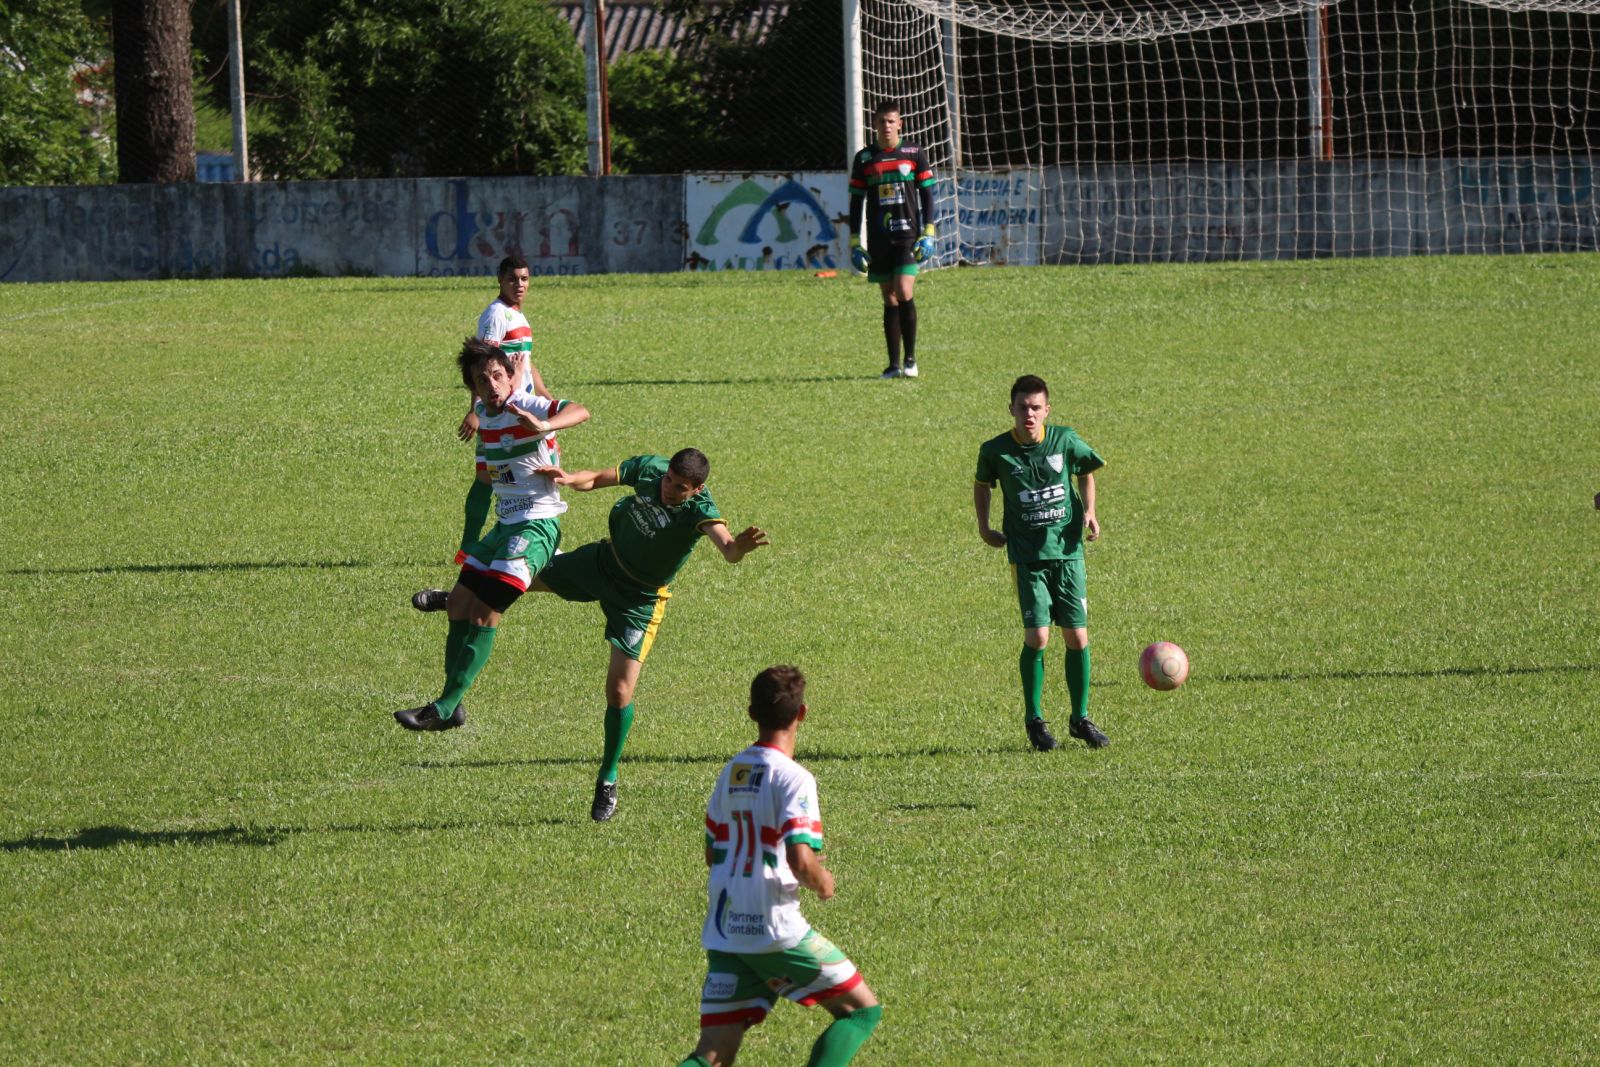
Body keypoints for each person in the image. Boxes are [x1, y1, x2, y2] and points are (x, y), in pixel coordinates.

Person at [411, 448, 770, 820]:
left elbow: (727, 549)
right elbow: (598, 478)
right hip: (601, 563)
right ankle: (455, 599)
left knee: (619, 692)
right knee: (514, 578)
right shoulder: (651, 470)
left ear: (697, 489)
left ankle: (607, 781)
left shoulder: (700, 510)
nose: (669, 489)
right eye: (668, 481)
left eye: (680, 488)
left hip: (639, 599)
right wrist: (568, 478)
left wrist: (738, 549)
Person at [676, 665, 882, 1067]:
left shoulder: (731, 771)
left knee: (713, 1054)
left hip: (725, 929)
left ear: (751, 713)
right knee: (861, 1012)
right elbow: (799, 858)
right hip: (774, 928)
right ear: (802, 713)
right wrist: (822, 881)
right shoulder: (794, 778)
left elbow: (710, 851)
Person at [393, 337, 590, 732]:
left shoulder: (527, 406)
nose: (493, 386)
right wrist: (469, 540)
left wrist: (546, 428)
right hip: (503, 526)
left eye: (499, 376)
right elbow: (485, 478)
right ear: (474, 390)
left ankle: (444, 707)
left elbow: (580, 411)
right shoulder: (484, 417)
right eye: (484, 380)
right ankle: (454, 701)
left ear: (511, 376)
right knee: (458, 605)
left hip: (536, 525)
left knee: (486, 612)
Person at [974, 374, 1109, 751]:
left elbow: (1086, 471)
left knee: (1077, 637)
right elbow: (982, 484)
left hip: (1068, 553)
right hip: (1028, 556)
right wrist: (984, 527)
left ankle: (1080, 718)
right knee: (1038, 637)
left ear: (1047, 410)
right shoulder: (995, 450)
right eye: (1022, 408)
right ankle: (1035, 719)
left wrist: (1091, 512)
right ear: (1011, 410)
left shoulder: (1065, 440)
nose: (1029, 414)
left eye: (1036, 407)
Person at [452, 254, 555, 565]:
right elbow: (481, 363)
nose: (519, 284)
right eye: (513, 279)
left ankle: (521, 537)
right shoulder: (496, 315)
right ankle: (472, 546)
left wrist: (546, 396)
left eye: (524, 279)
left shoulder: (518, 317)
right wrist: (475, 410)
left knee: (519, 473)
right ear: (500, 280)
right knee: (487, 475)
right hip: (498, 409)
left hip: (520, 408)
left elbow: (526, 362)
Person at [847, 100, 938, 380]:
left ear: (900, 124)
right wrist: (853, 240)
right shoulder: (864, 159)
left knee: (903, 289)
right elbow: (856, 201)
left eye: (891, 121)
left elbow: (927, 194)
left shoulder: (914, 153)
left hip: (907, 236)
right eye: (881, 121)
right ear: (874, 125)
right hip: (878, 238)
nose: (886, 126)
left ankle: (911, 359)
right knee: (889, 297)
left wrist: (929, 231)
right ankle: (893, 364)